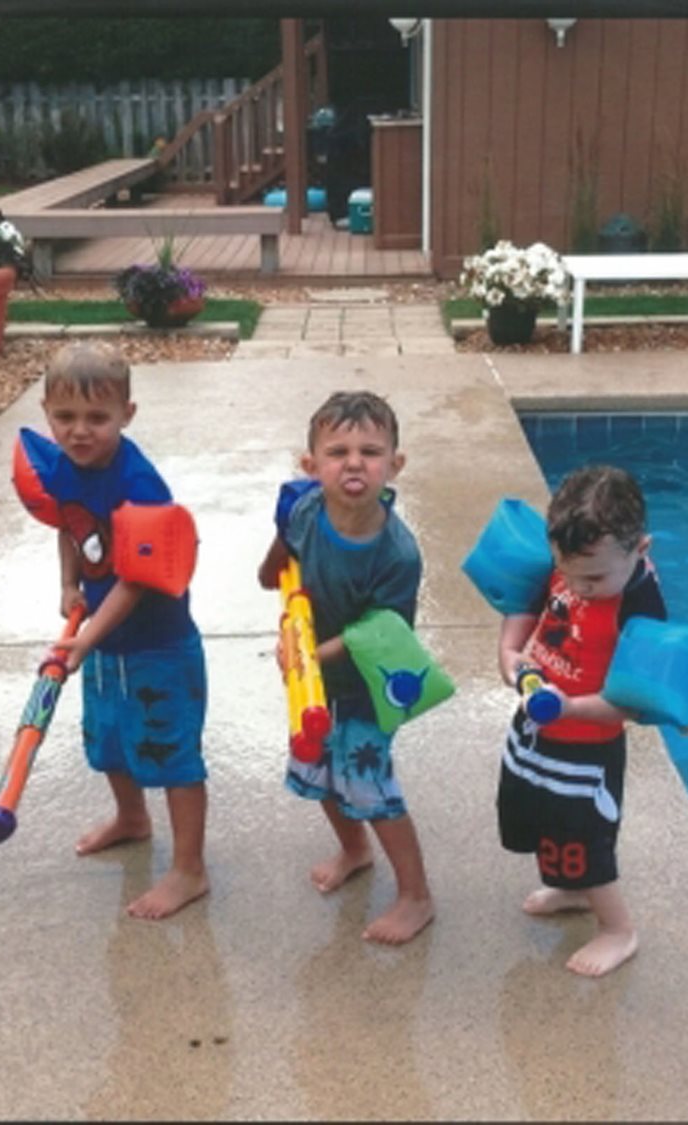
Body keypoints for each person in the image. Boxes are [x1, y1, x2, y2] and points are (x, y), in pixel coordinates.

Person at [33, 342, 209, 921]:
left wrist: (85, 639)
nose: (80, 431)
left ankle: (189, 869)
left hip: (158, 646)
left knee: (171, 753)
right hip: (105, 643)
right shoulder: (64, 465)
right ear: (46, 413)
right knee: (109, 738)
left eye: (97, 417)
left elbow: (135, 580)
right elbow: (68, 523)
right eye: (65, 417)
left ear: (126, 414)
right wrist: (68, 584)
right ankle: (132, 818)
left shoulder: (140, 485)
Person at [256, 390, 435, 945]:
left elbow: (382, 636)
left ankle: (416, 896)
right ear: (311, 465)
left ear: (394, 464)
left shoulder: (396, 553)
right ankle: (355, 850)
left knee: (369, 786)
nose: (354, 463)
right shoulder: (307, 509)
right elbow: (284, 551)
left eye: (370, 452)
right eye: (337, 452)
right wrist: (273, 570)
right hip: (316, 681)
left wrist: (309, 653)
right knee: (319, 768)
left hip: (367, 688)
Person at [495, 464, 666, 977]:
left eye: (593, 579)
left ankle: (617, 929)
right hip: (536, 727)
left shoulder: (641, 605)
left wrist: (570, 707)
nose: (578, 587)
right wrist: (511, 656)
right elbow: (523, 610)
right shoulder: (572, 561)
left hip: (588, 747)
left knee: (585, 837)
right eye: (567, 574)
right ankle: (572, 890)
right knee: (537, 816)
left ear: (640, 550)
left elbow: (632, 704)